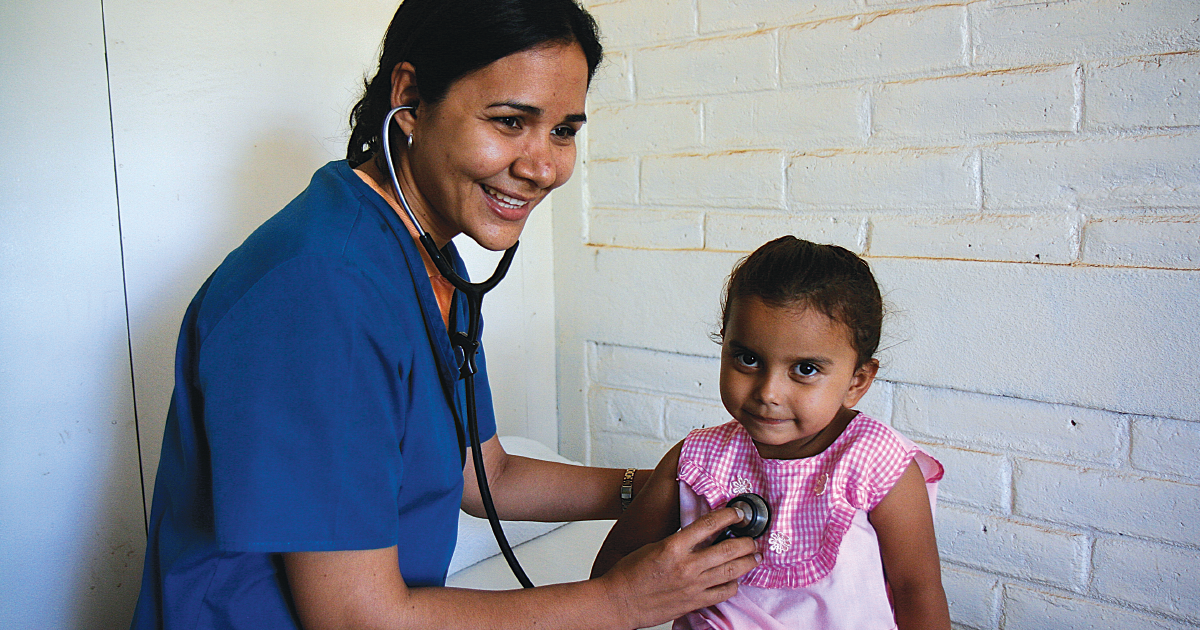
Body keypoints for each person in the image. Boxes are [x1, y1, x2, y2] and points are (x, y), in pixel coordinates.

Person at [129, 1, 759, 628]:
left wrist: (663, 489)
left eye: (564, 131)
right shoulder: (325, 291)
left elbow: (486, 475)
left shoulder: (427, 259)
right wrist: (623, 600)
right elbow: (357, 618)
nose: (543, 167)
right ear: (410, 98)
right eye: (511, 121)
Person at [591, 236, 951, 630]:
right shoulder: (697, 461)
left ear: (857, 381)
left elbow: (918, 591)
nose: (768, 393)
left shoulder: (878, 465)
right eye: (748, 359)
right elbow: (612, 579)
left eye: (806, 370)